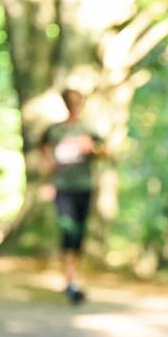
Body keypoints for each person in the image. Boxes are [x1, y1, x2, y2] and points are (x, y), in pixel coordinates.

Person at [40, 88, 105, 304]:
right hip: (63, 187)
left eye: (77, 101)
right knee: (68, 230)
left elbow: (105, 150)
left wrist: (91, 149)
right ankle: (71, 282)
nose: (74, 105)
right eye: (70, 101)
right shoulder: (55, 130)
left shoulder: (88, 128)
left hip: (84, 186)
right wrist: (49, 171)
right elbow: (45, 154)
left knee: (79, 234)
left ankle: (75, 277)